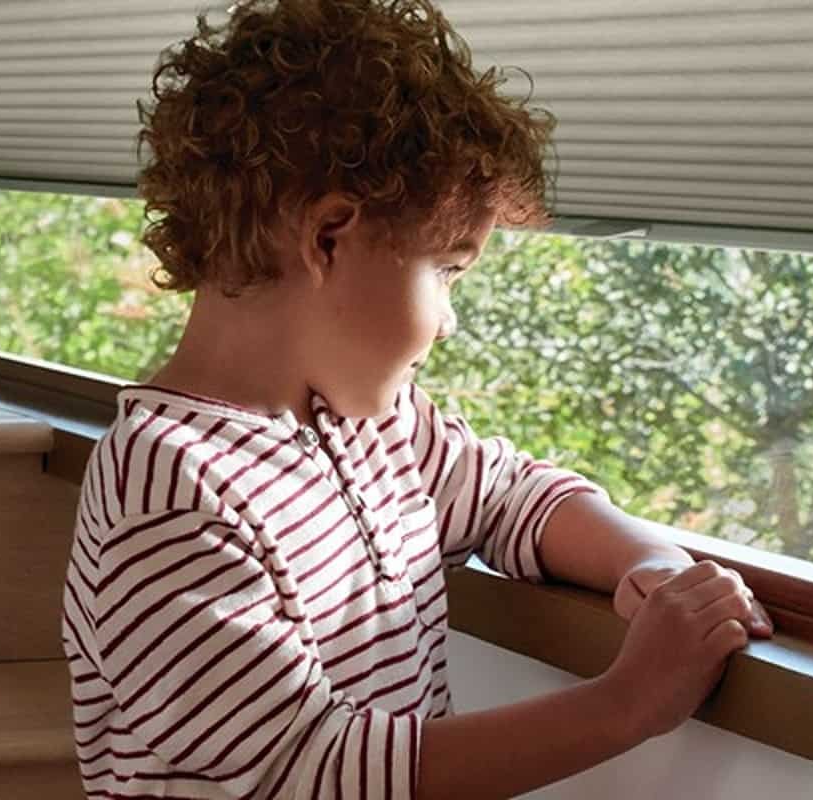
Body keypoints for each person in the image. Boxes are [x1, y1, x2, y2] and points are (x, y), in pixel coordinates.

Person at [60, 1, 774, 797]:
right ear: (330, 237)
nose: (448, 320)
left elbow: (510, 498)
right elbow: (310, 771)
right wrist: (629, 704)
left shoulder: (374, 428)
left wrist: (644, 561)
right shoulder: (165, 489)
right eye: (447, 271)